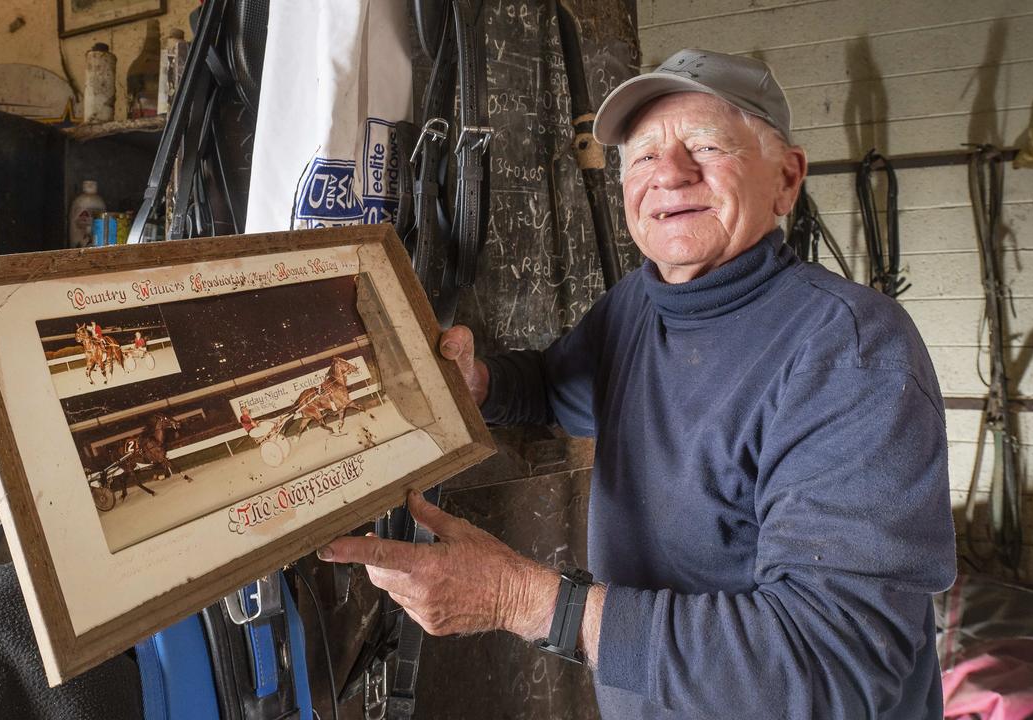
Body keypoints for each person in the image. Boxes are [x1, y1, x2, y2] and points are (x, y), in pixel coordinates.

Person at [319, 48, 956, 719]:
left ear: (787, 180)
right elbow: (554, 384)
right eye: (643, 155)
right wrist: (474, 381)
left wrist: (523, 600)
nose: (670, 175)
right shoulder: (637, 306)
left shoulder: (848, 349)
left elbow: (831, 669)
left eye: (707, 146)